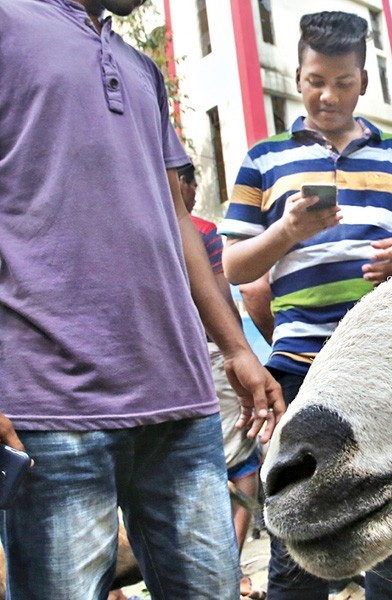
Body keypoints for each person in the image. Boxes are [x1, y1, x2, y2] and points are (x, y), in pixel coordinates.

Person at [0, 1, 285, 598]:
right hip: (53, 406)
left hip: (181, 402)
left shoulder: (141, 68)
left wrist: (235, 348)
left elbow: (177, 218)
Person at [219, 11, 392, 600]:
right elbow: (233, 266)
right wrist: (286, 233)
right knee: (297, 512)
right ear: (298, 76)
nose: (329, 95)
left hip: (389, 366)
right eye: (317, 80)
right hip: (300, 366)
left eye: (343, 83)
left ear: (363, 81)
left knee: (391, 512)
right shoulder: (263, 159)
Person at [177, 163, 264, 598]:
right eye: (189, 184)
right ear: (183, 183)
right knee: (240, 459)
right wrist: (240, 353)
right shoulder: (200, 231)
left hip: (161, 365)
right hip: (209, 355)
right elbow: (222, 299)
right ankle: (230, 568)